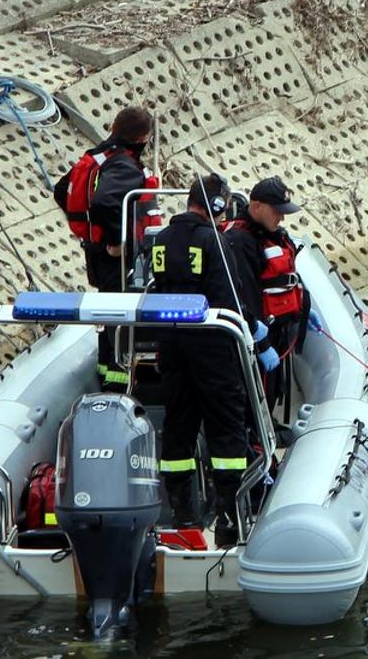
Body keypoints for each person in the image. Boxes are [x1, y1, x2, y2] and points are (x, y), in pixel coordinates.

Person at [149, 174, 251, 543]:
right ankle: (227, 518)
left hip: (172, 347)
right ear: (219, 206)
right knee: (226, 426)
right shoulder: (214, 242)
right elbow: (229, 297)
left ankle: (183, 516)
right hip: (211, 346)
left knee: (179, 426)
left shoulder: (161, 240)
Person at [54, 106, 159, 390]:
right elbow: (105, 201)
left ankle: (107, 368)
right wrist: (116, 240)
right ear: (143, 138)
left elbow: (62, 191)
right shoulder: (123, 165)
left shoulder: (96, 157)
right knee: (121, 311)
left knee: (109, 307)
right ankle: (119, 379)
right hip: (116, 256)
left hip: (96, 250)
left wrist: (91, 232)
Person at [225, 177, 307, 418]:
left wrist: (302, 309)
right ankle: (257, 443)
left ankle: (267, 427)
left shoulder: (273, 234)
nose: (281, 217)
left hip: (279, 328)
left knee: (273, 389)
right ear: (257, 206)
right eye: (277, 211)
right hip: (260, 332)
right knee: (257, 393)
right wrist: (261, 342)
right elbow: (246, 296)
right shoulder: (240, 241)